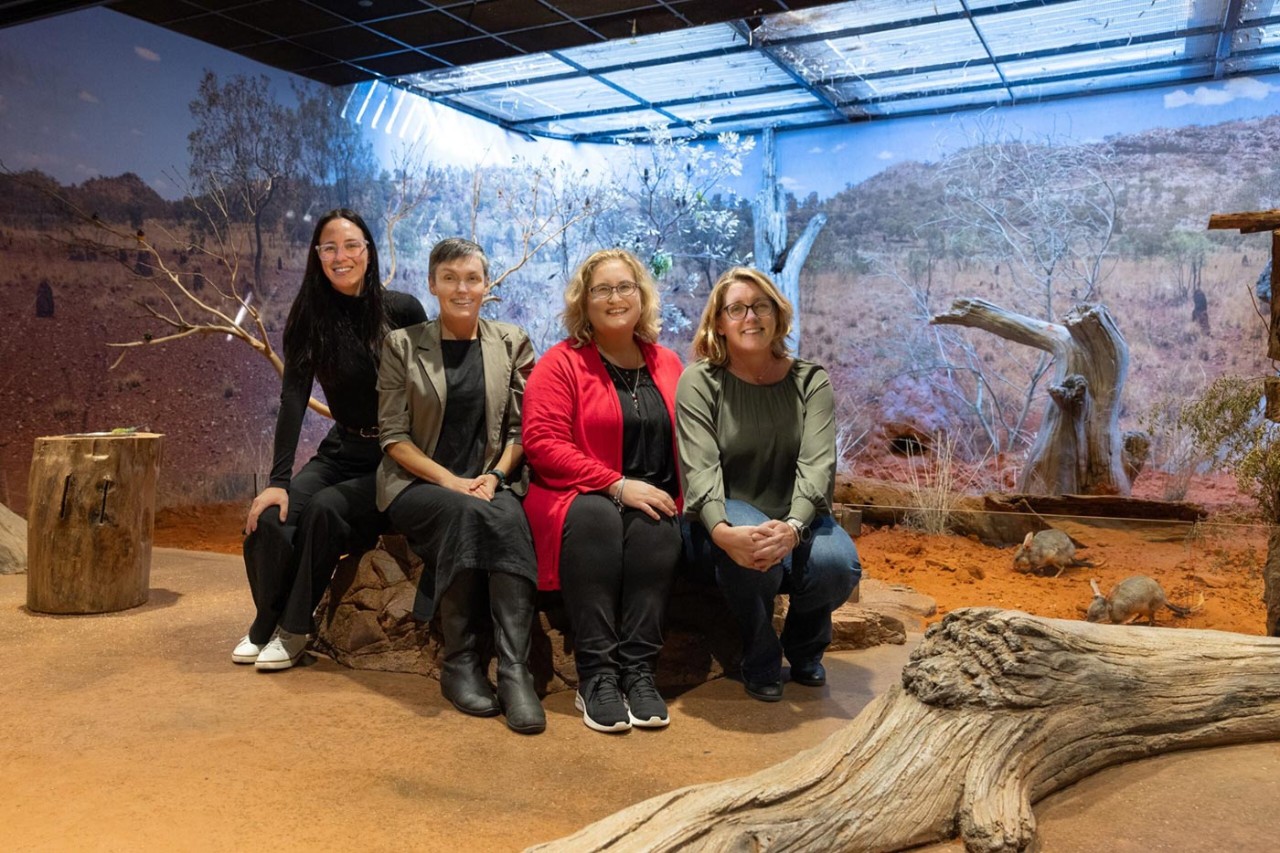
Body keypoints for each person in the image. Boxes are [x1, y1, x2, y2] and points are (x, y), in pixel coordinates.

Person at [239, 209, 427, 670]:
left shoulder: (403, 311)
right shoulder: (310, 316)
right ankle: (266, 622)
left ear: (369, 252)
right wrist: (278, 480)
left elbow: (430, 392)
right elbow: (292, 398)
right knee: (271, 518)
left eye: (351, 245)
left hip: (395, 455)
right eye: (330, 248)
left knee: (325, 510)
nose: (341, 256)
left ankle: (294, 630)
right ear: (317, 256)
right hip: (342, 449)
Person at [376, 238, 544, 735]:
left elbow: (522, 430)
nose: (461, 288)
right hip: (418, 484)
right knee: (466, 511)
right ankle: (460, 663)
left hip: (491, 482)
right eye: (449, 278)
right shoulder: (402, 345)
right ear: (432, 284)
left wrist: (494, 476)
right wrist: (453, 481)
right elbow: (393, 437)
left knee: (507, 516)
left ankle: (514, 672)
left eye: (472, 278)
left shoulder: (512, 342)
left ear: (486, 285)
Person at [676, 267, 861, 702]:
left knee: (838, 565)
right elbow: (700, 469)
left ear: (778, 315)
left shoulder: (810, 381)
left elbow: (817, 464)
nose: (750, 317)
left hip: (797, 517)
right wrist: (721, 531)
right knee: (752, 548)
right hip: (723, 515)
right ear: (719, 322)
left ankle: (805, 646)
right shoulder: (700, 381)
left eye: (761, 306)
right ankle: (760, 656)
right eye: (736, 309)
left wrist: (794, 527)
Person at [523, 249, 684, 733]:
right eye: (602, 290)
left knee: (658, 524)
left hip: (651, 495)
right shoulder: (561, 363)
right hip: (577, 494)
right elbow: (542, 443)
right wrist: (616, 484)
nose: (616, 298)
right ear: (584, 302)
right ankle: (596, 677)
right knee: (597, 518)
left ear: (641, 296)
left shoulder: (668, 363)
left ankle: (638, 673)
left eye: (625, 287)